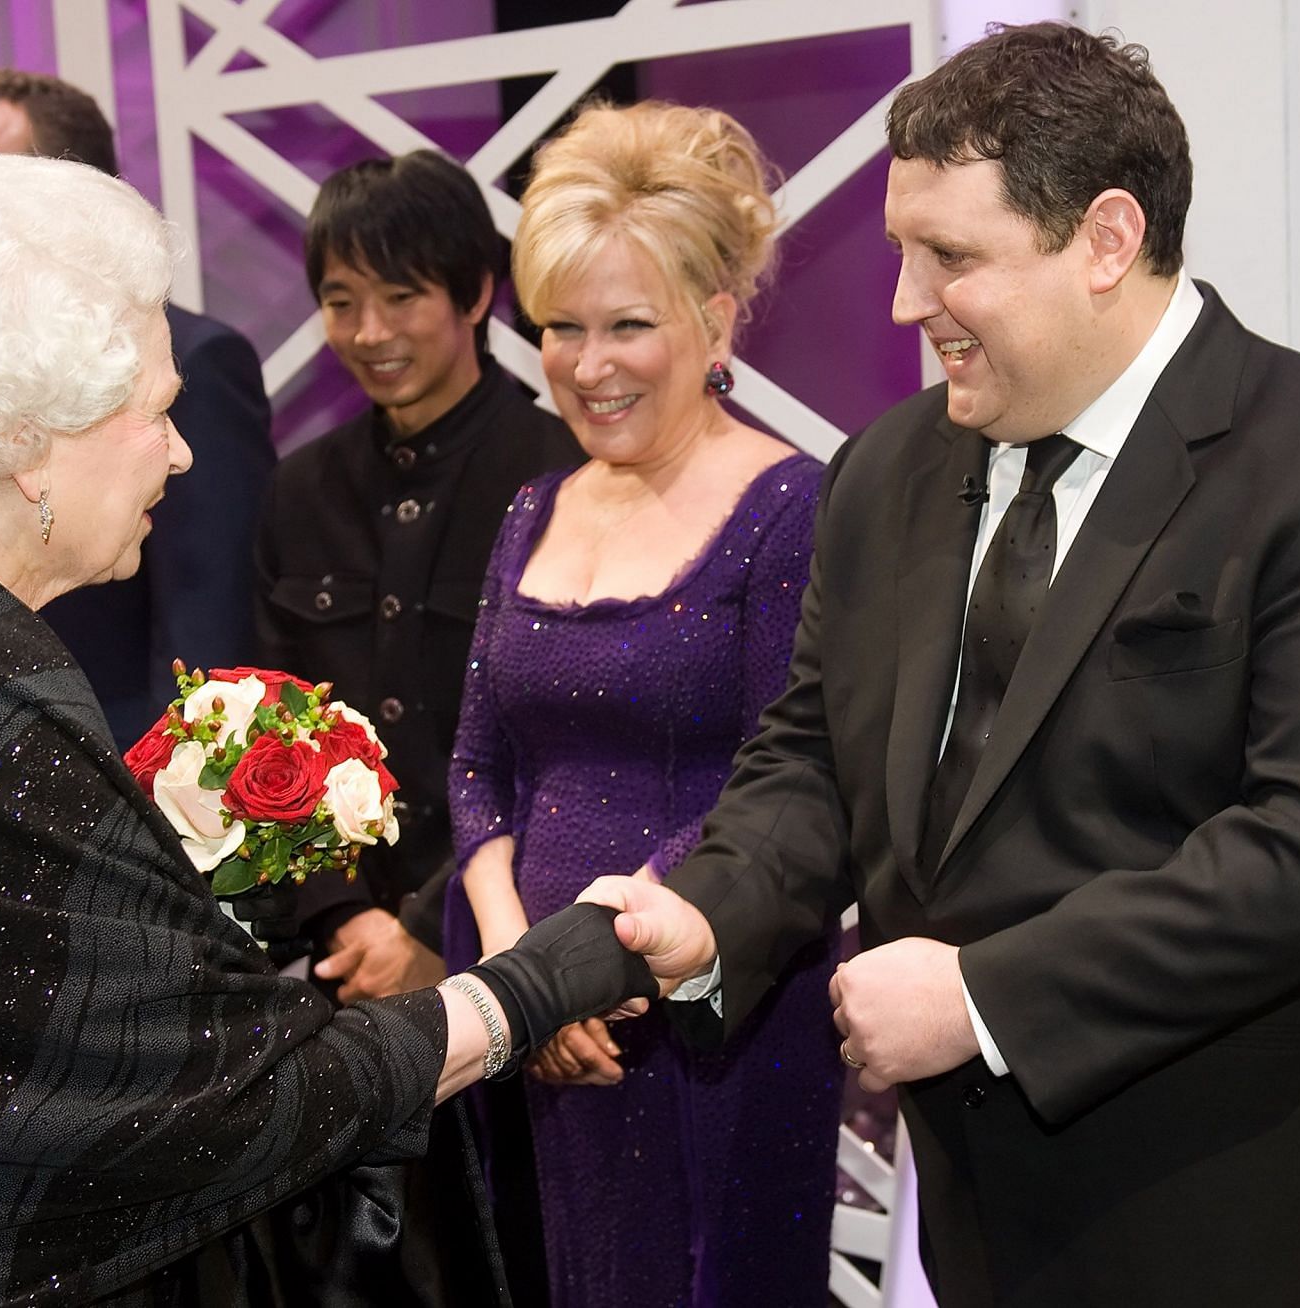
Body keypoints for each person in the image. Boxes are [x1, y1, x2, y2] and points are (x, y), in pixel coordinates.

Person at [586, 23, 1300, 1307]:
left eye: (950, 257)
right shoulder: (886, 470)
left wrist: (985, 998)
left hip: (1261, 1233)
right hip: (989, 1239)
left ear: (1107, 241)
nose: (905, 301)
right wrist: (714, 913)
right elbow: (816, 761)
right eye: (906, 251)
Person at [0, 152, 653, 1307]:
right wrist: (544, 980)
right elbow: (238, 1101)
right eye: (157, 410)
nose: (184, 452)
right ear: (29, 435)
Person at [449, 101, 843, 1307]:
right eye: (562, 328)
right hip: (527, 1022)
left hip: (706, 1021)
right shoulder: (533, 508)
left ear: (715, 318)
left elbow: (786, 782)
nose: (588, 364)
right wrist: (523, 974)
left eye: (628, 325)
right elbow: (478, 771)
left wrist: (586, 972)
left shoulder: (793, 507)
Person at [253, 147, 579, 1306]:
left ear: (477, 294)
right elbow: (264, 735)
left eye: (400, 295)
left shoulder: (559, 473)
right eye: (341, 300)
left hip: (513, 955)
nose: (368, 330)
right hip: (341, 979)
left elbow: (554, 752)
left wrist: (427, 928)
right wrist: (344, 920)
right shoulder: (299, 489)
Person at [0, 68, 273, 749]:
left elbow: (206, 638)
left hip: (111, 777)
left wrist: (163, 807)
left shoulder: (194, 364)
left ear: (74, 196)